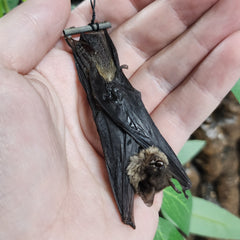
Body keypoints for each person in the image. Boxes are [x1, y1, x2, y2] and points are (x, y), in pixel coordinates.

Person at [0, 0, 239, 239]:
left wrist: (128, 217)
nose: (157, 164)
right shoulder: (157, 151)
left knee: (101, 85)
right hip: (123, 95)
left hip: (104, 104)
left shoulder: (126, 167)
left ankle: (82, 49)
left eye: (153, 169)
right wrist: (179, 180)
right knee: (116, 81)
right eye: (161, 166)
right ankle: (91, 46)